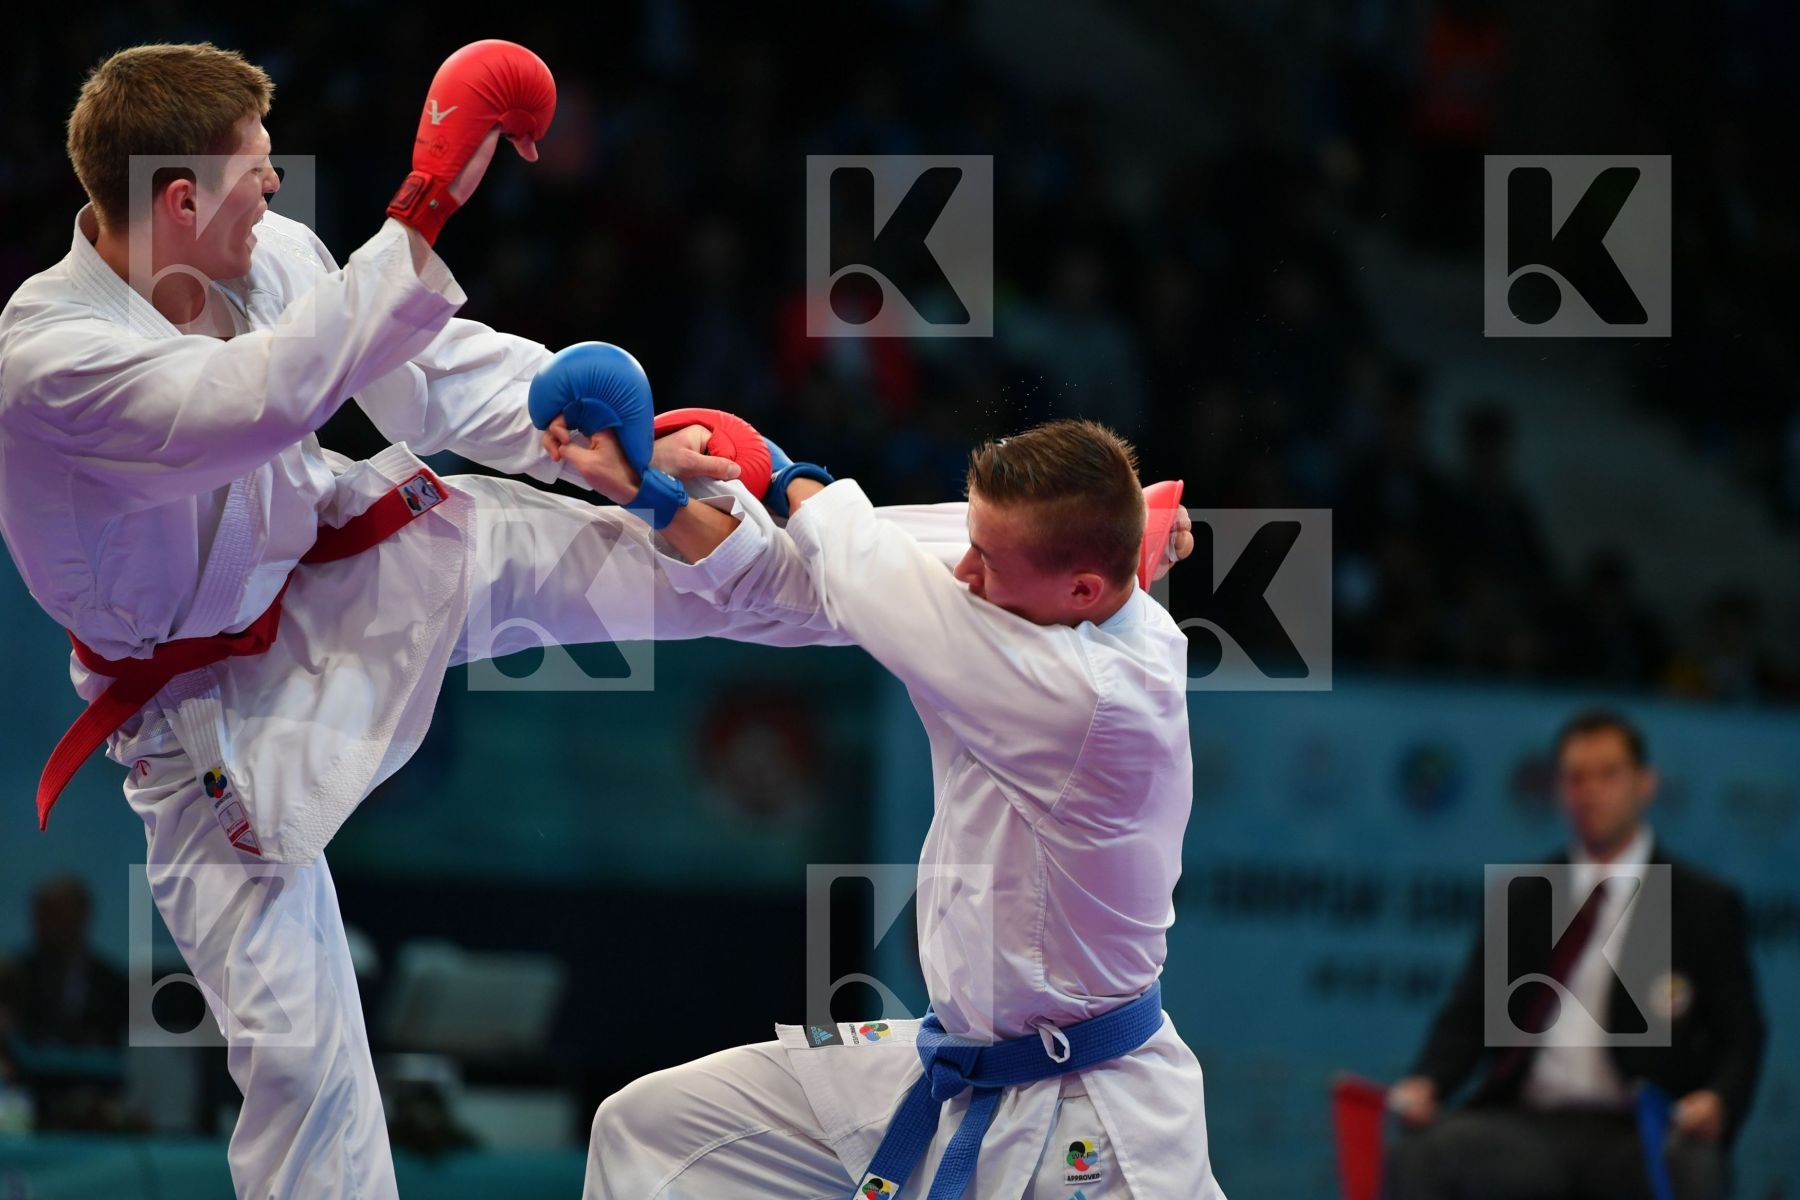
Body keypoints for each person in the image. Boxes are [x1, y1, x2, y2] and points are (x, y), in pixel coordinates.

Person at [0, 42, 970, 1199]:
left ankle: (984, 563)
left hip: (345, 564)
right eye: (256, 170)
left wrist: (609, 439)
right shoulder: (46, 359)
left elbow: (435, 376)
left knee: (675, 549)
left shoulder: (274, 259)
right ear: (179, 198)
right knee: (304, 1075)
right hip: (199, 723)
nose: (273, 189)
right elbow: (252, 405)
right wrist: (424, 204)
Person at [556, 417, 1219, 1199]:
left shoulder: (1091, 702)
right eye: (972, 540)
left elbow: (867, 569)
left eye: (987, 558)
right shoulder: (1043, 598)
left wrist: (779, 468)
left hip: (1091, 1113)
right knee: (655, 1129)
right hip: (954, 1060)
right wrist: (652, 496)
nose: (964, 570)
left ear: (1082, 590)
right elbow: (821, 578)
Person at [1386, 710, 1767, 1200]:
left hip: (1637, 1130)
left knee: (1691, 1165)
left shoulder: (1694, 901)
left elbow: (1742, 1033)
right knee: (1422, 1153)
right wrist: (1428, 1082)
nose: (1590, 791)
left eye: (1608, 775)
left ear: (1645, 784)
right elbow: (1469, 1016)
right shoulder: (1526, 895)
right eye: (1574, 777)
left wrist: (1717, 1101)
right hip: (1529, 1127)